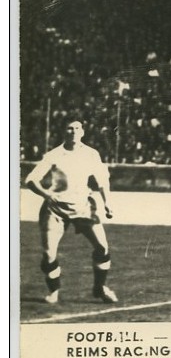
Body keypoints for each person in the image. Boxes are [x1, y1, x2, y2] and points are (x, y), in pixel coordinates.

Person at [25, 120, 118, 304]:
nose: (73, 131)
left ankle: (100, 288)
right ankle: (54, 291)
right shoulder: (54, 155)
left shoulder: (91, 154)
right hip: (55, 209)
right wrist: (46, 195)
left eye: (77, 128)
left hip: (83, 207)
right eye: (69, 127)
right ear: (64, 132)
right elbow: (31, 180)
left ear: (82, 132)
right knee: (49, 254)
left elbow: (102, 181)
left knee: (102, 247)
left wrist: (107, 203)